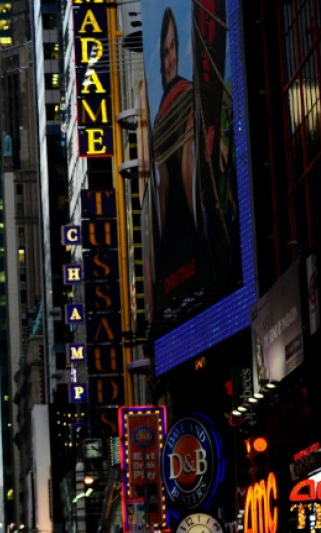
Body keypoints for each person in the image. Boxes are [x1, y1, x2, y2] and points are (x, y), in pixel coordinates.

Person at [151, 7, 209, 317]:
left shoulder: (167, 107)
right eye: (165, 51)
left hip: (174, 242)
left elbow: (170, 181)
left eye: (174, 48)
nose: (171, 58)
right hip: (182, 233)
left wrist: (162, 261)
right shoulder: (177, 99)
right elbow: (177, 176)